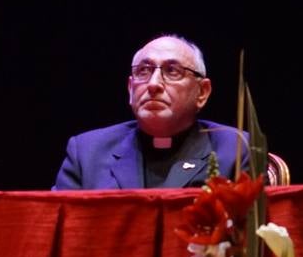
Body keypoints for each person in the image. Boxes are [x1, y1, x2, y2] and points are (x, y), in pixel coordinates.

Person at [53, 34, 248, 189]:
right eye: (143, 71)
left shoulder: (237, 149)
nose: (153, 84)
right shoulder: (87, 153)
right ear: (130, 88)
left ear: (202, 92)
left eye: (172, 71)